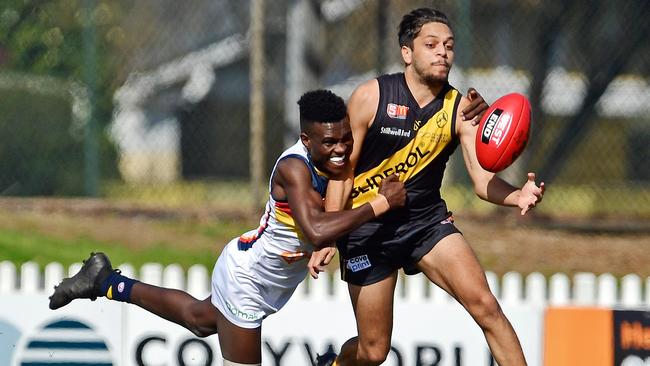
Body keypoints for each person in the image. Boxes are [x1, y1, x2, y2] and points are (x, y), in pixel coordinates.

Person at [48, 90, 409, 366]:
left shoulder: (336, 162)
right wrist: (379, 204)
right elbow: (316, 230)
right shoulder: (294, 169)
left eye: (345, 138)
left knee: (200, 320)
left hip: (263, 274)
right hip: (247, 282)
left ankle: (105, 281)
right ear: (305, 140)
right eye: (329, 142)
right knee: (206, 325)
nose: (341, 149)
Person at [317, 8, 546, 366]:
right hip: (367, 229)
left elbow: (482, 182)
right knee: (373, 351)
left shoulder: (460, 109)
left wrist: (517, 195)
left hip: (425, 223)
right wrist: (329, 233)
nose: (443, 52)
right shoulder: (370, 97)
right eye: (431, 44)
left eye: (449, 46)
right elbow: (342, 173)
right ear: (407, 53)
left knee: (486, 306)